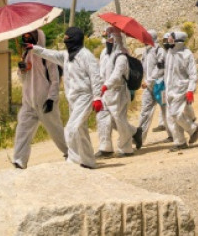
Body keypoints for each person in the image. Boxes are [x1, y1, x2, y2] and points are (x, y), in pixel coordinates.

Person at [27, 27, 103, 169]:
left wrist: (97, 97)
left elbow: (96, 76)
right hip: (72, 98)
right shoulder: (66, 55)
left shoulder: (86, 56)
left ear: (76, 39)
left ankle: (73, 160)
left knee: (71, 128)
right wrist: (34, 48)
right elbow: (49, 53)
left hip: (84, 97)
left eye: (68, 39)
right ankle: (89, 162)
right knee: (81, 130)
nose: (65, 41)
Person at [12, 29, 67, 169]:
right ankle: (19, 160)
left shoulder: (46, 56)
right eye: (25, 37)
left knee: (56, 130)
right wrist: (22, 70)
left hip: (45, 101)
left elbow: (55, 80)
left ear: (37, 39)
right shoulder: (24, 55)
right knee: (22, 130)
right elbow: (23, 78)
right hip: (28, 101)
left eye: (30, 37)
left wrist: (51, 99)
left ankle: (70, 152)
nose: (27, 39)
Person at [96, 27, 141, 158]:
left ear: (116, 40)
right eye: (107, 39)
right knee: (103, 119)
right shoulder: (104, 54)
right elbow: (101, 72)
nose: (108, 42)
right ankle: (105, 148)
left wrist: (106, 86)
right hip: (105, 93)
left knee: (119, 121)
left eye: (110, 39)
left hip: (118, 93)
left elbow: (116, 76)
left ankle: (126, 148)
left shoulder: (122, 56)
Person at [162, 31, 198, 150]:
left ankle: (193, 128)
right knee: (170, 117)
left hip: (181, 89)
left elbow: (193, 75)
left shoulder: (186, 54)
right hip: (169, 89)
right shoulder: (169, 53)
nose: (168, 40)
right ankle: (180, 142)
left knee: (175, 113)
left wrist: (190, 90)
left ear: (178, 41)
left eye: (171, 38)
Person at [137, 30, 167, 143]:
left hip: (160, 87)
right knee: (145, 111)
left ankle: (173, 134)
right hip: (149, 88)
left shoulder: (160, 51)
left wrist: (149, 81)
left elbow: (160, 68)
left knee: (166, 111)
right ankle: (139, 137)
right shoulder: (146, 52)